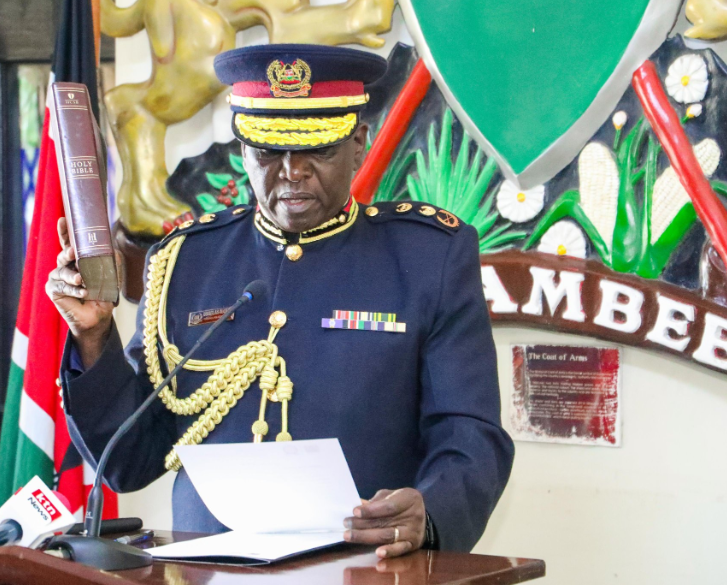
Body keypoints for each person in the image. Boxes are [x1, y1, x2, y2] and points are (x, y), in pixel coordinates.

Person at [47, 43, 514, 558]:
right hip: (213, 572)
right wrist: (92, 337)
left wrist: (430, 512)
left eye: (318, 149)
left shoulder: (428, 258)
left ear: (358, 142)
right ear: (243, 148)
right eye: (268, 151)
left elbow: (469, 432)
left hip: (364, 568)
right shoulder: (185, 261)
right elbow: (129, 461)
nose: (292, 171)